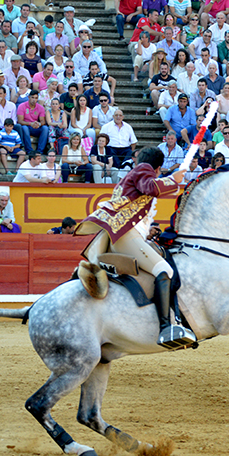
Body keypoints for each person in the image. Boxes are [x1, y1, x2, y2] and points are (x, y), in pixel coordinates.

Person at [75, 146, 196, 349]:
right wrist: (173, 179)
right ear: (157, 168)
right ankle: (166, 328)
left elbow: (150, 191)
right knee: (163, 269)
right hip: (125, 234)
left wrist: (172, 181)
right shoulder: (143, 169)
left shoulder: (134, 175)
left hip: (128, 234)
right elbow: (151, 187)